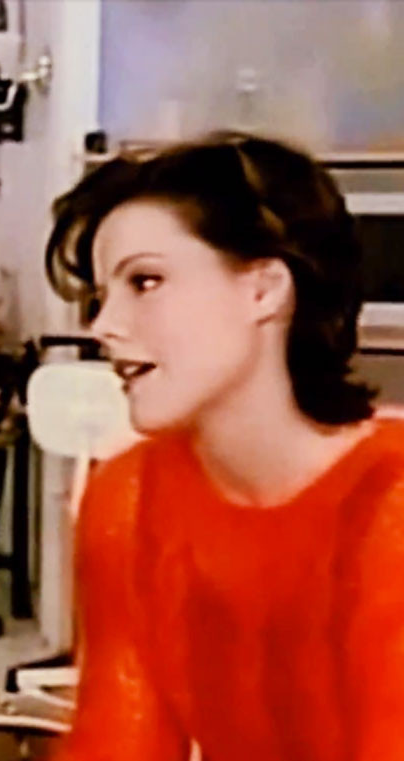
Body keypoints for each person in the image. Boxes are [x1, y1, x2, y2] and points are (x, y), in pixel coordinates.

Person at [43, 132, 403, 760]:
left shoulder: (389, 506)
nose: (103, 325)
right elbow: (118, 743)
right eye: (101, 296)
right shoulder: (129, 498)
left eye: (145, 282)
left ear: (264, 289)